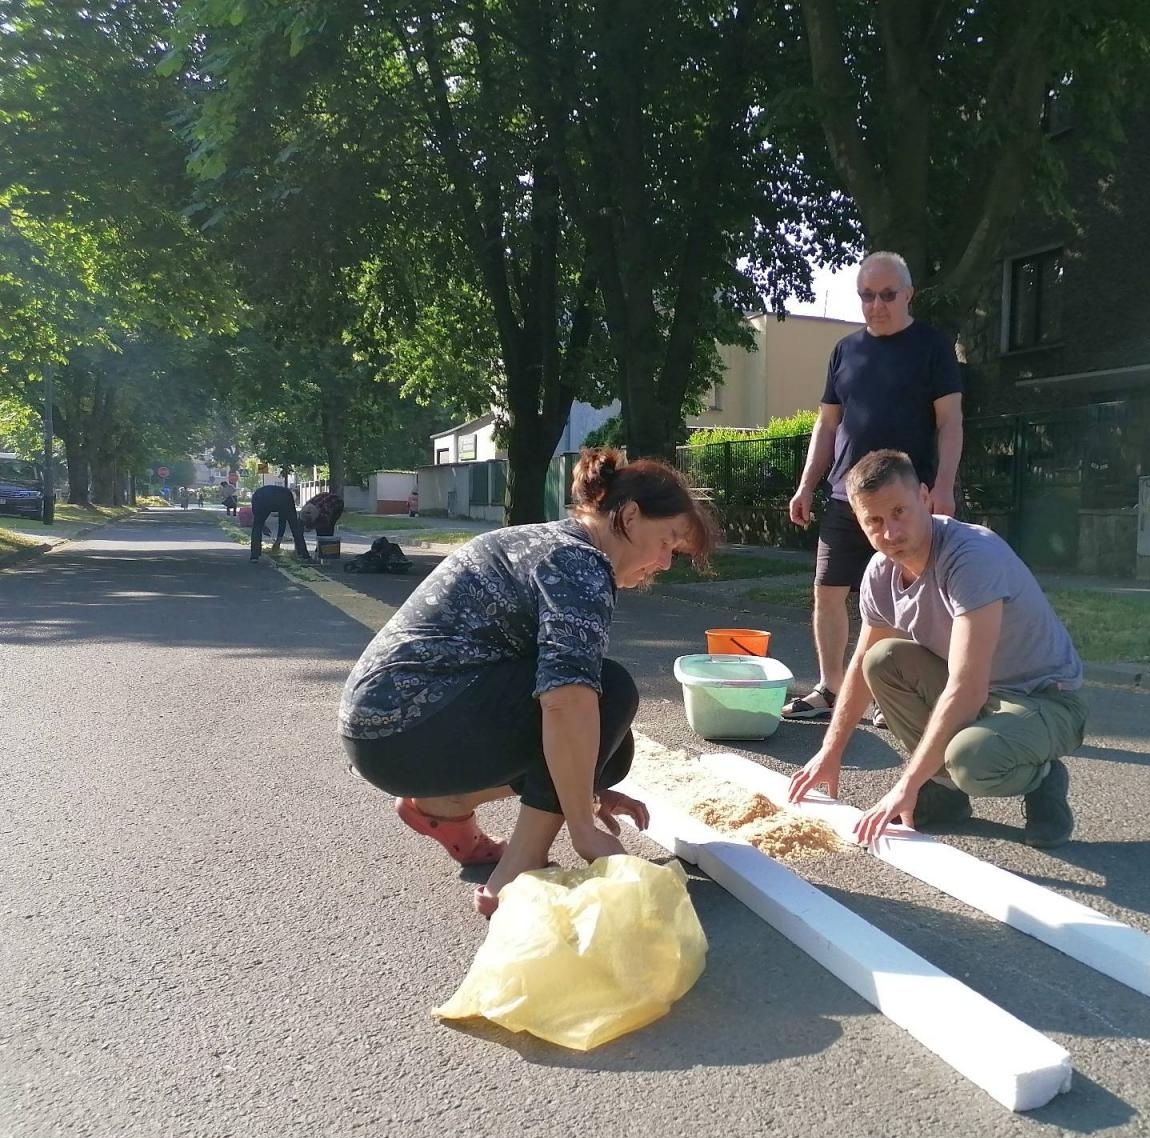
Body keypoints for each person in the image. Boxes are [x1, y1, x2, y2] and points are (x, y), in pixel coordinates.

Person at [340, 448, 717, 916]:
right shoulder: (579, 565)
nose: (664, 563)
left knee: (610, 751)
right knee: (608, 691)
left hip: (381, 731)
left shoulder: (548, 543)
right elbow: (566, 701)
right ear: (631, 515)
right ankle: (519, 867)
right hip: (412, 729)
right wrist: (581, 824)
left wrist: (589, 790)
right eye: (667, 542)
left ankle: (446, 802)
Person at [789, 450, 1088, 850]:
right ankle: (944, 793)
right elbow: (862, 666)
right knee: (883, 660)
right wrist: (830, 751)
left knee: (971, 760)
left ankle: (1043, 778)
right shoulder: (881, 572)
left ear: (926, 498)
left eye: (899, 512)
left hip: (1043, 700)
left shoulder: (971, 557)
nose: (890, 532)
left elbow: (967, 687)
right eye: (874, 521)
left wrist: (905, 784)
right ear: (860, 523)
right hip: (984, 696)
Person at [783, 250, 964, 722]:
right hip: (848, 499)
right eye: (867, 295)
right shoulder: (845, 350)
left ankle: (894, 692)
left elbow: (950, 422)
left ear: (909, 294)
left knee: (910, 597)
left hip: (909, 500)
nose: (877, 304)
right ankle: (831, 688)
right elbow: (826, 426)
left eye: (887, 294)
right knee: (828, 591)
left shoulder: (932, 346)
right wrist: (806, 486)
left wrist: (943, 486)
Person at [248, 482, 313, 562]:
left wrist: (262, 526)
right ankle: (303, 554)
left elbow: (257, 518)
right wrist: (278, 540)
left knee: (257, 526)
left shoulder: (257, 495)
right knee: (295, 527)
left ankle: (254, 556)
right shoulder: (287, 495)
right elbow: (283, 521)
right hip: (281, 497)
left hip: (263, 497)